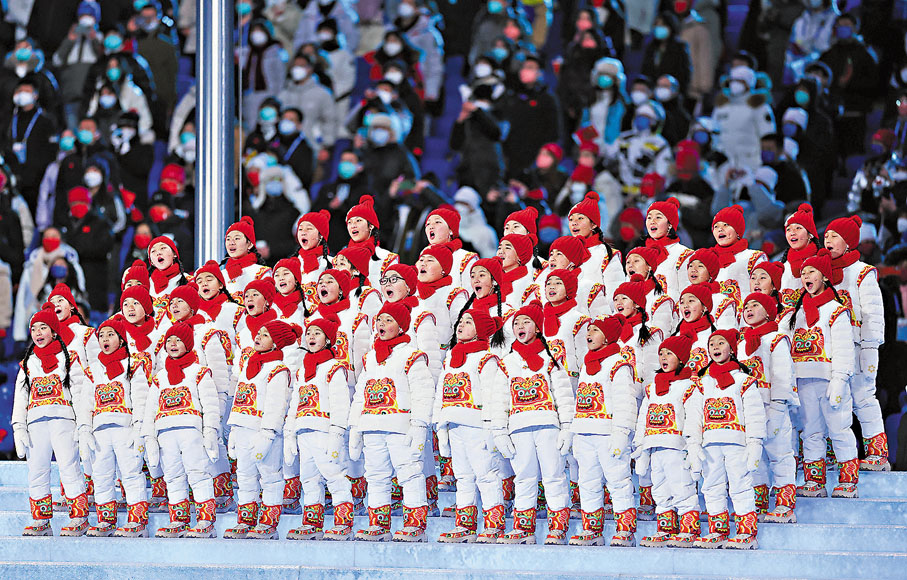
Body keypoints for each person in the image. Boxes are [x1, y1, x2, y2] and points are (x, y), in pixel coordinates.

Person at [490, 301, 575, 545]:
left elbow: (563, 395)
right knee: (524, 477)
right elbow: (500, 400)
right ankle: (523, 528)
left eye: (526, 321)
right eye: (516, 323)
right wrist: (500, 432)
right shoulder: (507, 363)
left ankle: (558, 528)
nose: (520, 326)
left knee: (553, 475)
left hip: (547, 426)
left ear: (538, 328)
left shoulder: (550, 358)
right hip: (519, 427)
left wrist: (567, 427)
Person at [348, 301, 434, 542]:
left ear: (401, 326)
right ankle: (379, 524)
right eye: (379, 320)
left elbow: (423, 392)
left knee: (409, 472)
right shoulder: (370, 358)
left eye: (388, 320)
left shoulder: (411, 356)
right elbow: (360, 396)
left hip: (400, 426)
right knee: (375, 475)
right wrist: (355, 426)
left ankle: (415, 524)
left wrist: (419, 426)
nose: (381, 324)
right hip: (372, 426)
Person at [12, 304, 90, 537]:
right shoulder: (28, 363)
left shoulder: (70, 359)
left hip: (63, 421)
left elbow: (79, 393)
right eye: (34, 328)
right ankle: (41, 520)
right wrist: (19, 427)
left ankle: (79, 517)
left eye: (43, 327)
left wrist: (83, 425)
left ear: (54, 331)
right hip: (36, 423)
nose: (38, 333)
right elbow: (20, 396)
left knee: (69, 467)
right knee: (37, 470)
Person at [788, 250, 860, 498]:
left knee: (839, 428)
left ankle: (848, 480)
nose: (806, 276)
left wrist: (840, 379)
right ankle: (814, 481)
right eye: (803, 272)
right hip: (804, 380)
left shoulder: (836, 311)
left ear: (826, 278)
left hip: (830, 381)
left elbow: (843, 348)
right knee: (811, 431)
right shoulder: (796, 313)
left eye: (812, 272)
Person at [687, 329, 765, 549]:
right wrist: (693, 443)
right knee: (711, 486)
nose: (716, 348)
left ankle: (746, 531)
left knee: (740, 485)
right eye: (712, 344)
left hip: (736, 443)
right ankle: (717, 530)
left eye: (721, 343)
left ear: (732, 349)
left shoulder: (744, 381)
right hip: (710, 445)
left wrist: (755, 443)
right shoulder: (702, 383)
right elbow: (694, 416)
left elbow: (754, 415)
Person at [433, 307, 506, 543]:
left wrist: (491, 428)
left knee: (485, 473)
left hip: (477, 426)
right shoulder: (450, 358)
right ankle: (465, 525)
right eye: (460, 321)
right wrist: (439, 423)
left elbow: (491, 395)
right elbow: (440, 395)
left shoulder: (486, 359)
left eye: (468, 321)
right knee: (463, 476)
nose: (460, 325)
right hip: (454, 424)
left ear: (482, 330)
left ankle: (494, 524)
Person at [142, 321, 221, 538]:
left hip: (191, 431)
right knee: (172, 475)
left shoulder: (199, 372)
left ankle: (206, 520)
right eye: (169, 341)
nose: (173, 344)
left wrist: (211, 432)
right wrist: (149, 437)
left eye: (178, 340)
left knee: (198, 472)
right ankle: (179, 519)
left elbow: (210, 405)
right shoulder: (159, 377)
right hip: (166, 433)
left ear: (188, 343)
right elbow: (150, 409)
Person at [224, 319, 300, 540]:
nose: (258, 337)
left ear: (276, 343)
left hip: (263, 432)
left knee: (270, 475)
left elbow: (277, 405)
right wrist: (235, 431)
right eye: (259, 333)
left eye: (266, 335)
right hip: (243, 428)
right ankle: (246, 519)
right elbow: (240, 398)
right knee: (245, 475)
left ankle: (269, 522)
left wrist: (267, 434)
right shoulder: (249, 363)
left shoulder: (278, 369)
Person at [824, 216, 889, 470]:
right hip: (831, 349)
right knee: (832, 400)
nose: (827, 240)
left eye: (834, 236)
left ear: (849, 242)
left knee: (863, 397)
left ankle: (877, 454)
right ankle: (834, 456)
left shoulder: (862, 272)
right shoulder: (821, 272)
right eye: (826, 235)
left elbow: (873, 314)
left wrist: (871, 347)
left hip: (859, 346)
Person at [569, 315, 638, 547]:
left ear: (608, 337)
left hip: (608, 433)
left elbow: (625, 401)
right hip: (585, 432)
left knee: (618, 480)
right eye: (589, 330)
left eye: (596, 330)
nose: (589, 334)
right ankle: (592, 529)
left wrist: (621, 432)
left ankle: (625, 529)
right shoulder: (585, 364)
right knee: (587, 481)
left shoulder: (618, 364)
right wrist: (575, 431)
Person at [284, 316, 354, 540]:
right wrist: (289, 433)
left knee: (334, 474)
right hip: (304, 430)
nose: (311, 336)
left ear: (328, 339)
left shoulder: (334, 368)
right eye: (309, 332)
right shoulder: (302, 371)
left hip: (324, 431)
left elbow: (341, 403)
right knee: (308, 477)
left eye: (317, 333)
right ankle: (312, 522)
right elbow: (295, 403)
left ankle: (344, 522)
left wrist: (336, 434)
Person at [83, 317, 150, 537]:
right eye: (101, 335)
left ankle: (137, 521)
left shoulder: (132, 366)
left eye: (110, 334)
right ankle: (106, 520)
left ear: (121, 339)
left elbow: (140, 400)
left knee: (130, 473)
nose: (105, 339)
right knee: (101, 475)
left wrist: (138, 430)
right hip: (100, 431)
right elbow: (85, 403)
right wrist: (85, 429)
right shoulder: (93, 370)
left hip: (125, 429)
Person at [633, 334, 701, 547]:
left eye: (669, 353)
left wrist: (692, 447)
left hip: (676, 448)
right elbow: (643, 418)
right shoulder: (652, 388)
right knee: (659, 489)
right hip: (655, 447)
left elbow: (692, 418)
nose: (663, 357)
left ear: (681, 358)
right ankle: (665, 528)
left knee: (681, 486)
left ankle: (689, 528)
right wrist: (641, 448)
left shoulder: (689, 386)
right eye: (661, 353)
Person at [739, 292, 799, 523]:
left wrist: (777, 407)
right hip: (748, 409)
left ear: (769, 311)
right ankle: (759, 500)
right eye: (746, 305)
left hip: (771, 405)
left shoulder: (777, 338)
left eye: (756, 304)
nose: (749, 308)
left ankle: (785, 503)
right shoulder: (740, 341)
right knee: (756, 457)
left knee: (779, 452)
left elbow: (783, 377)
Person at [222, 216, 272, 303]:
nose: (231, 243)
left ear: (249, 244)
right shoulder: (221, 275)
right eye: (228, 239)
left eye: (237, 238)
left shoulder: (261, 272)